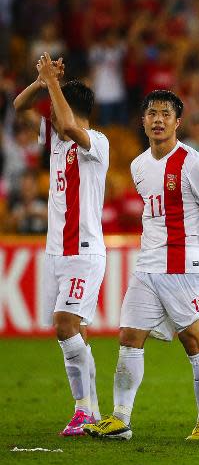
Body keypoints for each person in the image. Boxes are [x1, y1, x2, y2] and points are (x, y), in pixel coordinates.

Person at [83, 90, 199, 441]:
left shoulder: (197, 164)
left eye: (166, 114)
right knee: (129, 336)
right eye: (152, 113)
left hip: (185, 267)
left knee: (194, 341)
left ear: (177, 122)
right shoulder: (137, 165)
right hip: (148, 265)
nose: (158, 119)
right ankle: (120, 419)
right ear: (143, 120)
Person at [13, 53, 108, 436]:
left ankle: (83, 410)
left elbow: (68, 122)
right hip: (57, 252)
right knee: (75, 333)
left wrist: (53, 83)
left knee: (65, 326)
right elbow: (19, 106)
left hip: (84, 252)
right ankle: (92, 409)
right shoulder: (54, 138)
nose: (50, 115)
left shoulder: (96, 143)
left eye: (54, 106)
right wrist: (41, 81)